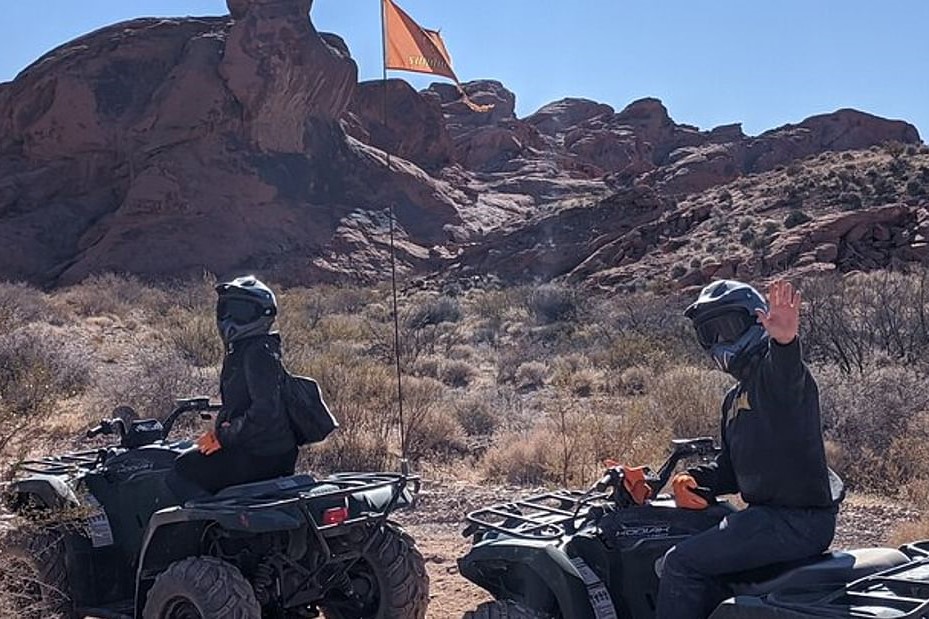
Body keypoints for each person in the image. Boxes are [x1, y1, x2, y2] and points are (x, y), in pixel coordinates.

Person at [655, 279, 844, 619]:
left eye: (726, 328)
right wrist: (694, 479)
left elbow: (788, 373)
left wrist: (785, 342)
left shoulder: (775, 379)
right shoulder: (733, 400)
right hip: (766, 518)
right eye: (708, 334)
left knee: (681, 563)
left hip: (798, 521)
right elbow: (731, 468)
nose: (718, 341)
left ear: (756, 321)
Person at [167, 275, 298, 500]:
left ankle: (206, 528)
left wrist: (225, 435)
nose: (229, 318)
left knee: (181, 469)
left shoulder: (258, 353)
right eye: (226, 309)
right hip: (264, 449)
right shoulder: (249, 349)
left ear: (262, 314)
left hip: (262, 455)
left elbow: (265, 411)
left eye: (240, 312)